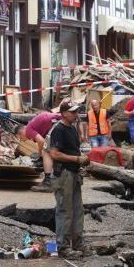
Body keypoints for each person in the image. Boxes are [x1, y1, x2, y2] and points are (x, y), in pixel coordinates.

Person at [48, 101, 90, 258]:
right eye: (72, 112)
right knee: (65, 211)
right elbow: (54, 154)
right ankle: (63, 247)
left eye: (76, 112)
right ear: (64, 113)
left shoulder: (71, 128)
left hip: (73, 174)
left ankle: (78, 243)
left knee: (78, 210)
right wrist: (77, 159)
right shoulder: (58, 129)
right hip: (63, 174)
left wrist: (79, 162)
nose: (75, 114)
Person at [15, 111, 62, 191]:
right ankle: (54, 179)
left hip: (57, 122)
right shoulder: (34, 126)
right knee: (53, 151)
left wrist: (40, 154)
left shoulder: (29, 130)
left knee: (46, 152)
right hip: (61, 120)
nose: (22, 140)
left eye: (20, 138)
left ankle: (48, 183)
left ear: (21, 132)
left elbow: (41, 141)